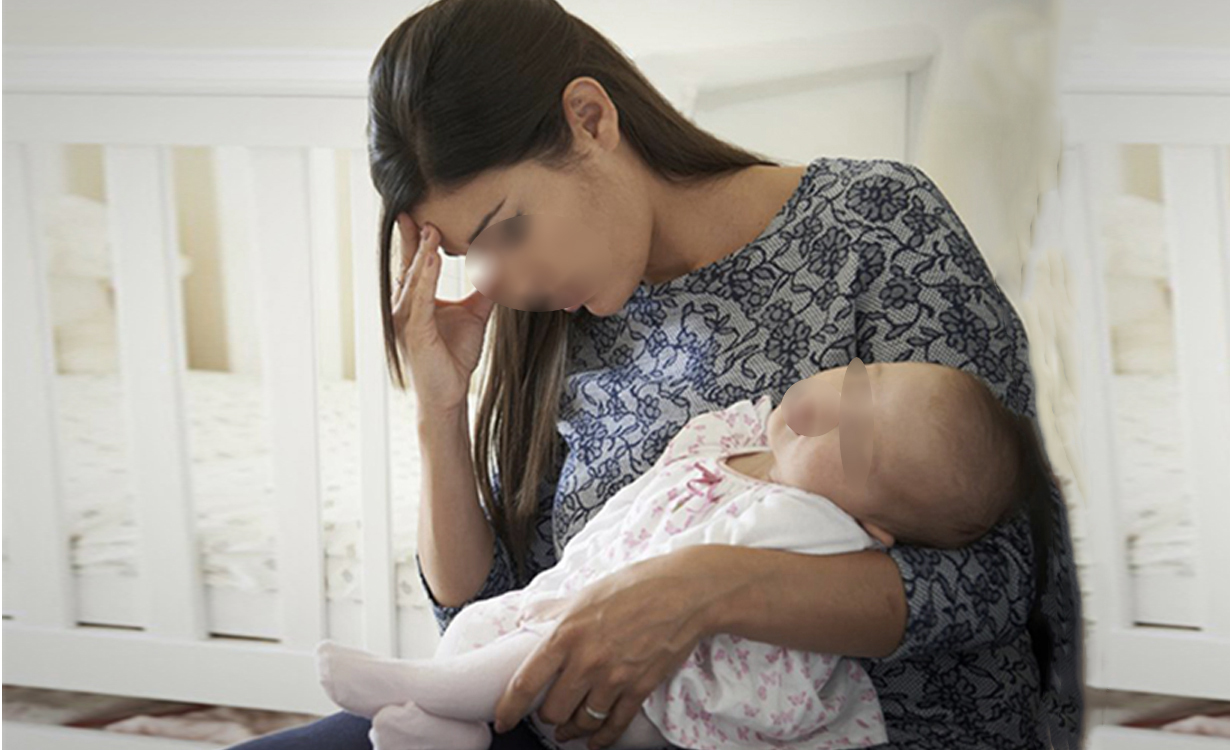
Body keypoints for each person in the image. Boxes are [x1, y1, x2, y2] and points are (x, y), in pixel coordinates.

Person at [227, 0, 1083, 748]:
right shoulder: (554, 320)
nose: (502, 280)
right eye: (468, 254)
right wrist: (440, 412)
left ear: (590, 119)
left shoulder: (874, 225)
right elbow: (487, 621)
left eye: (507, 229)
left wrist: (704, 588)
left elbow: (1005, 573)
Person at [313, 361, 1058, 750]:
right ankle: (447, 728)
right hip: (579, 602)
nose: (833, 407)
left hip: (662, 693)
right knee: (487, 622)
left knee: (539, 641)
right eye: (858, 383)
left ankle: (429, 690)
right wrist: (440, 412)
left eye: (856, 437)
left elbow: (1007, 577)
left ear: (873, 522)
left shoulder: (818, 523)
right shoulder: (741, 436)